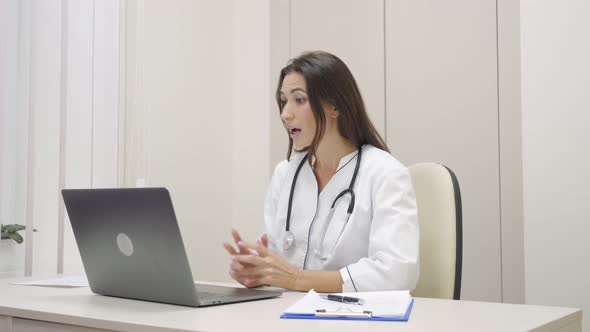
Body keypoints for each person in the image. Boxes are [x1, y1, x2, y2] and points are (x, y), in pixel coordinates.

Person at [223, 51, 419, 293]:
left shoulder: (385, 174)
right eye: (284, 101)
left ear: (334, 106)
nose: (285, 114)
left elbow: (396, 274)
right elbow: (276, 265)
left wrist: (295, 279)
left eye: (299, 100)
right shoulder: (285, 174)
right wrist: (256, 271)